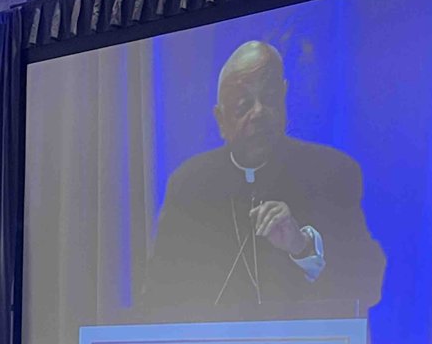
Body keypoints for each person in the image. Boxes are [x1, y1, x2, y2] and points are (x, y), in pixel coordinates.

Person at [143, 41, 385, 315]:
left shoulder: (332, 173)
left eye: (269, 98)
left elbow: (369, 285)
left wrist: (302, 247)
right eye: (243, 105)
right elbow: (156, 298)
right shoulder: (189, 185)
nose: (258, 112)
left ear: (283, 97)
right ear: (220, 119)